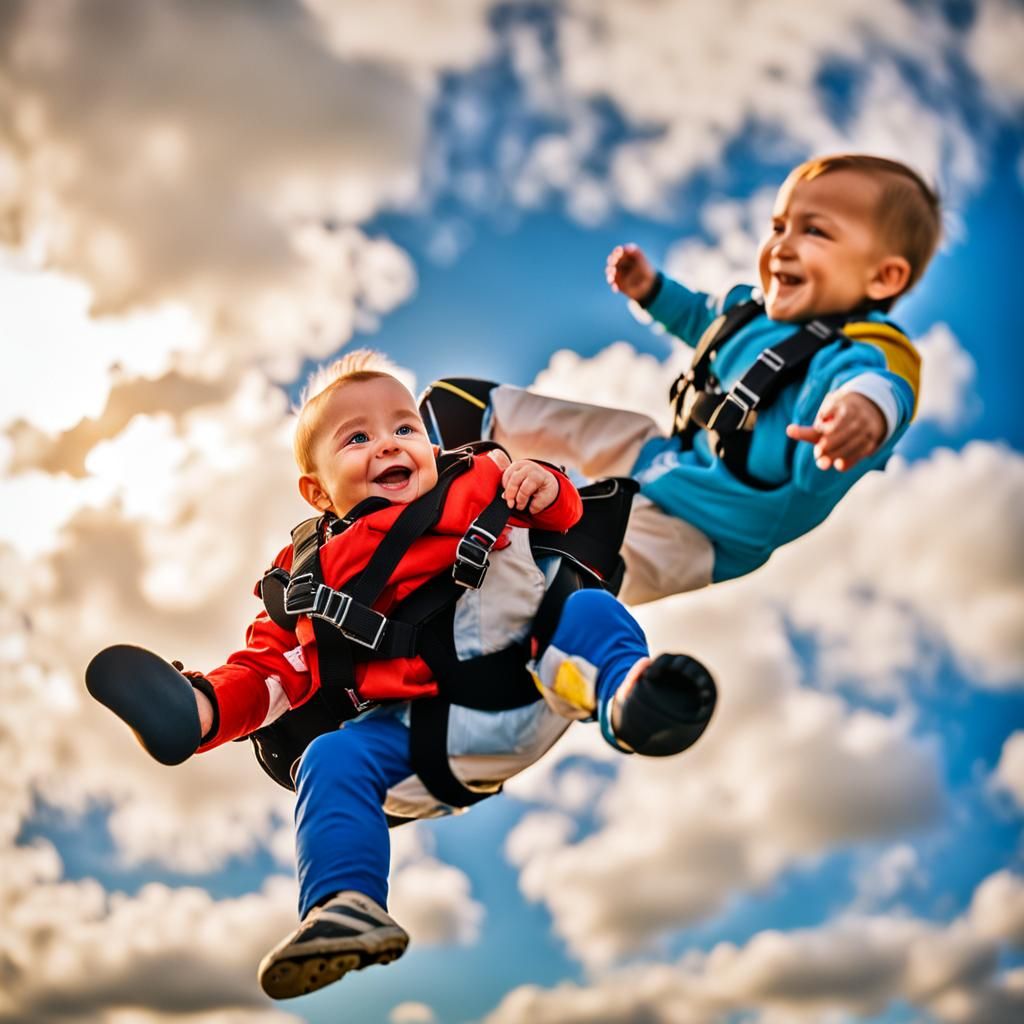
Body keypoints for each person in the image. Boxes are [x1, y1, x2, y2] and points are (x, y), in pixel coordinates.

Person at [86, 351, 716, 1000]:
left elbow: (563, 518)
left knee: (587, 607)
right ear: (318, 490)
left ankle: (632, 701)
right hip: (428, 736)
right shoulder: (310, 574)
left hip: (541, 671)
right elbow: (274, 668)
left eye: (405, 428)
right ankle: (344, 907)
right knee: (329, 758)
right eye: (357, 437)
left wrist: (544, 483)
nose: (388, 443)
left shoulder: (480, 474)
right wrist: (205, 707)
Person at [422, 154, 939, 605]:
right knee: (468, 399)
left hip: (702, 526)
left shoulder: (856, 354)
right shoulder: (749, 312)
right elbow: (698, 317)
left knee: (582, 557)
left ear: (883, 276)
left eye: (815, 231)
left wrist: (860, 416)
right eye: (780, 226)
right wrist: (650, 289)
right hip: (659, 455)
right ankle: (432, 450)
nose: (782, 245)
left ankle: (542, 625)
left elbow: (881, 383)